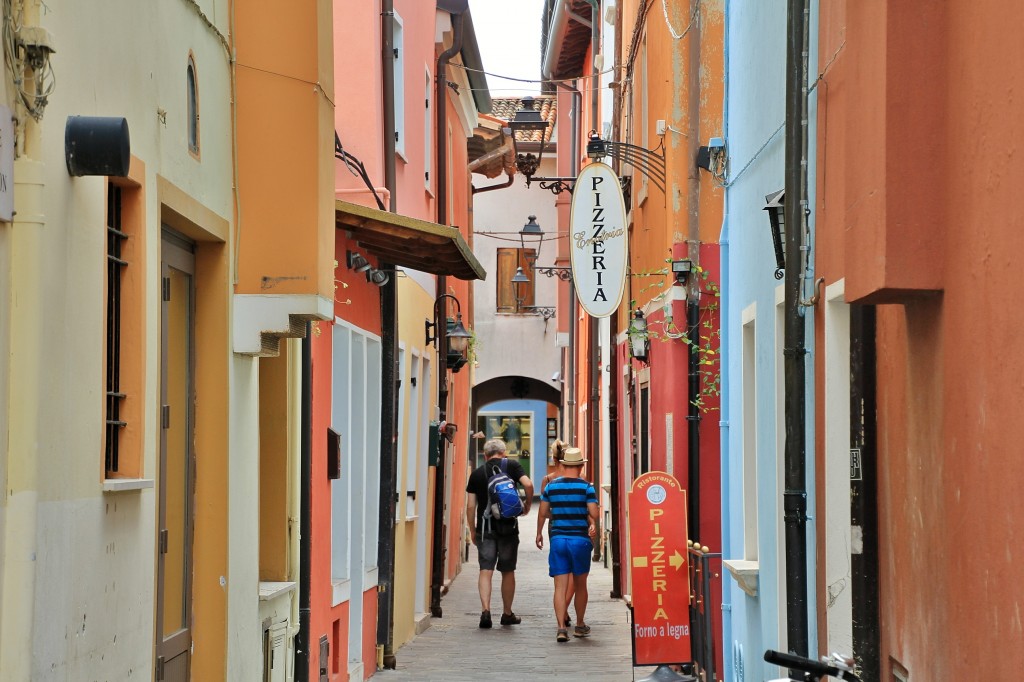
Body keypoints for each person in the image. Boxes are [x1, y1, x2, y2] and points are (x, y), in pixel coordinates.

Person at [466, 438, 534, 629]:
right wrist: (527, 504)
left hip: (485, 529)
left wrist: (473, 529)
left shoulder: (477, 474)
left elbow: (471, 506)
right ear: (504, 453)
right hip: (509, 528)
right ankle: (507, 613)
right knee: (507, 570)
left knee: (485, 570)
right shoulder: (512, 466)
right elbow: (528, 485)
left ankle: (485, 611)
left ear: (485, 455)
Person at [535, 445, 599, 643]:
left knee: (559, 587)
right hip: (580, 540)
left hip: (558, 539)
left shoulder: (551, 487)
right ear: (580, 466)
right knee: (580, 585)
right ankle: (579, 625)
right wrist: (588, 515)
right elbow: (595, 514)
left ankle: (561, 628)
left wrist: (539, 533)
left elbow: (543, 512)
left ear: (563, 465)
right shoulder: (587, 487)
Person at [537, 440, 575, 627]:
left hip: (556, 526)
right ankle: (565, 608)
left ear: (553, 458)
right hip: (578, 527)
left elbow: (544, 510)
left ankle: (562, 611)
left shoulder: (548, 479)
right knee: (576, 572)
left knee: (561, 570)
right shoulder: (579, 477)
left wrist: (539, 532)